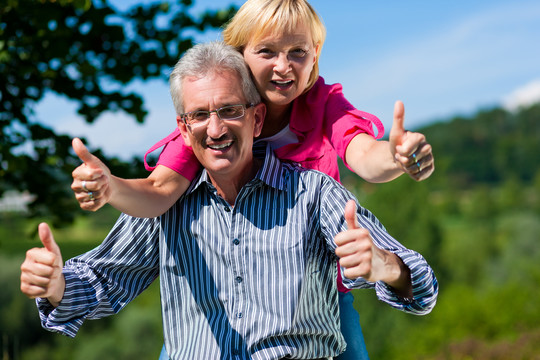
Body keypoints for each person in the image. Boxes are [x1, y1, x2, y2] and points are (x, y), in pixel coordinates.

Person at [22, 42, 438, 360]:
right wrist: (56, 284)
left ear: (257, 119)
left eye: (230, 110)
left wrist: (383, 265)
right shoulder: (165, 207)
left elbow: (422, 288)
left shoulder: (314, 194)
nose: (215, 128)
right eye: (200, 115)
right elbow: (101, 284)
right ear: (183, 130)